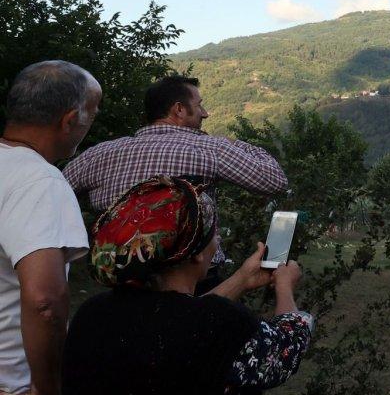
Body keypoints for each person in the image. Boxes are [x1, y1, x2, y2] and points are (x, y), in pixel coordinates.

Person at [46, 176, 312, 395]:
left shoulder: (93, 313)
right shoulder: (221, 325)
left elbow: (180, 322)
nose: (218, 240)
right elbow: (287, 345)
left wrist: (242, 279)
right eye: (213, 234)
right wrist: (284, 286)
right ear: (195, 253)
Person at [64, 75, 288, 287]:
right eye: (199, 105)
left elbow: (57, 190)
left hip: (120, 280)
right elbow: (274, 181)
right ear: (179, 109)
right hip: (193, 283)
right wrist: (234, 144)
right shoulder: (211, 149)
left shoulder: (100, 153)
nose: (205, 113)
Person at [0, 61, 100, 395]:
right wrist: (46, 393)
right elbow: (45, 301)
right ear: (70, 120)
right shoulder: (39, 181)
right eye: (93, 113)